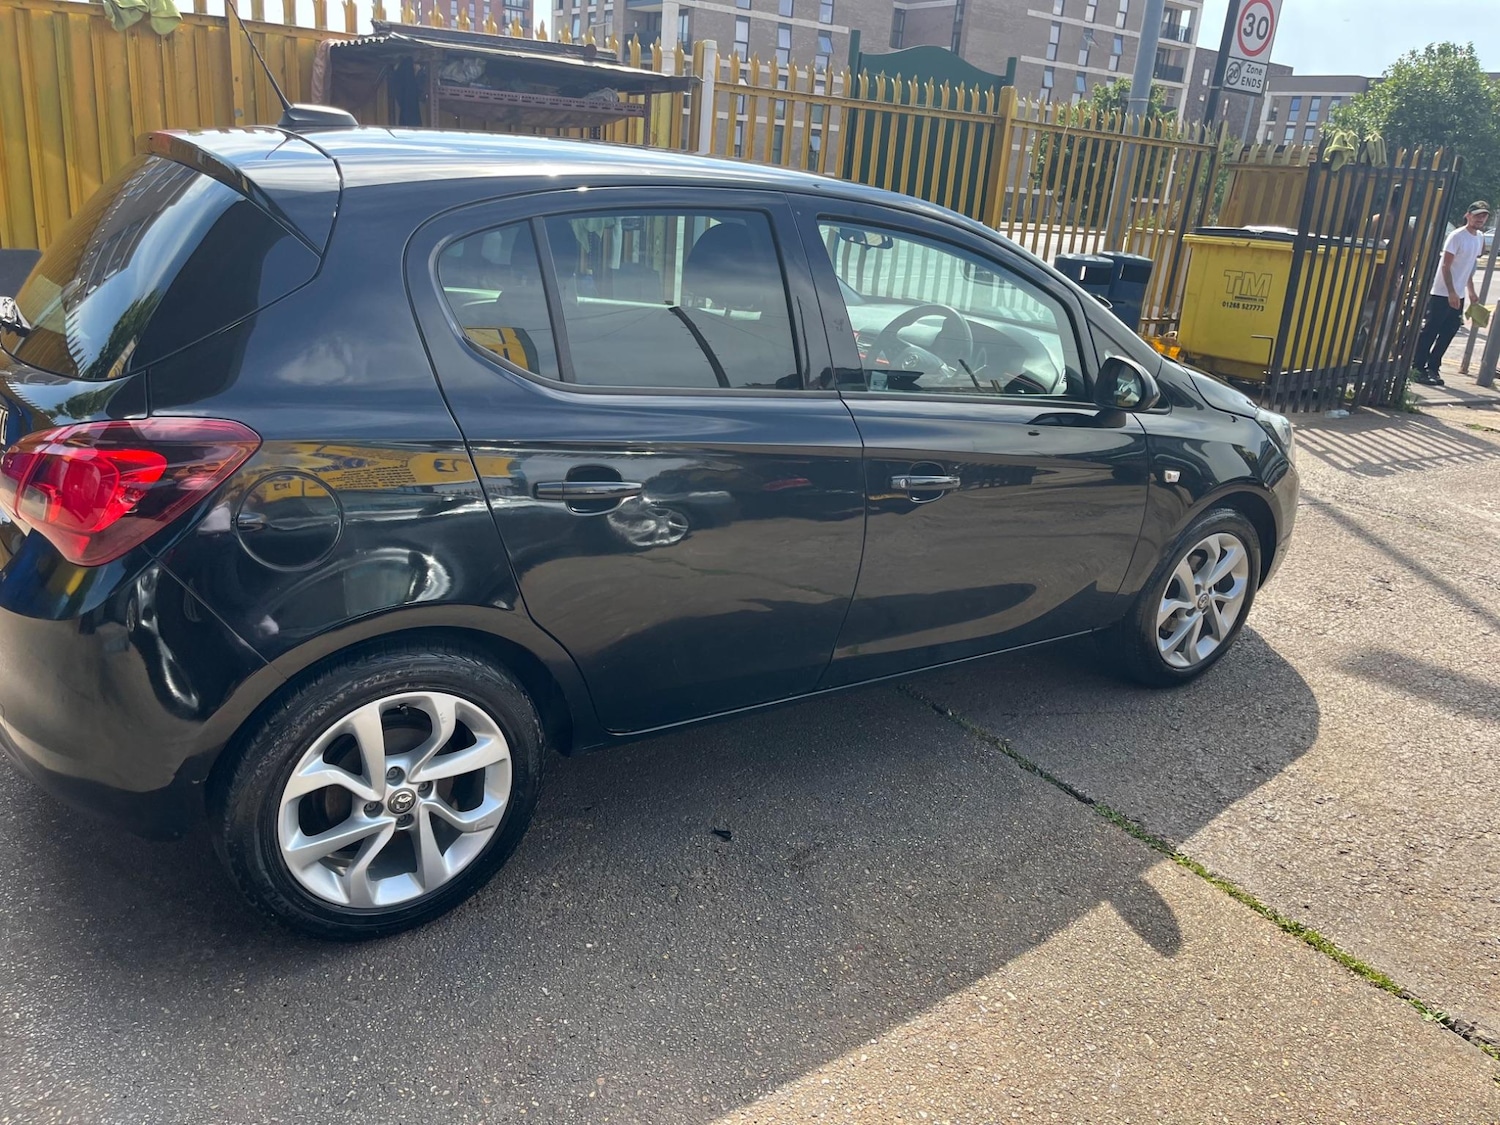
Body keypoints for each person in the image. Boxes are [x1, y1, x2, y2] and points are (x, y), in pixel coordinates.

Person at [1411, 200, 1490, 385]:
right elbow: (1446, 265)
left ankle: (1433, 366)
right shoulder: (1457, 236)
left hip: (1459, 293)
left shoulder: (1479, 237)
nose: (1480, 218)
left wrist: (1470, 291)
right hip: (1442, 292)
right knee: (1431, 330)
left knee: (1449, 331)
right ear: (1468, 215)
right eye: (1477, 215)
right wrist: (1451, 291)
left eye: (1484, 215)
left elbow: (1469, 265)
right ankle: (1417, 367)